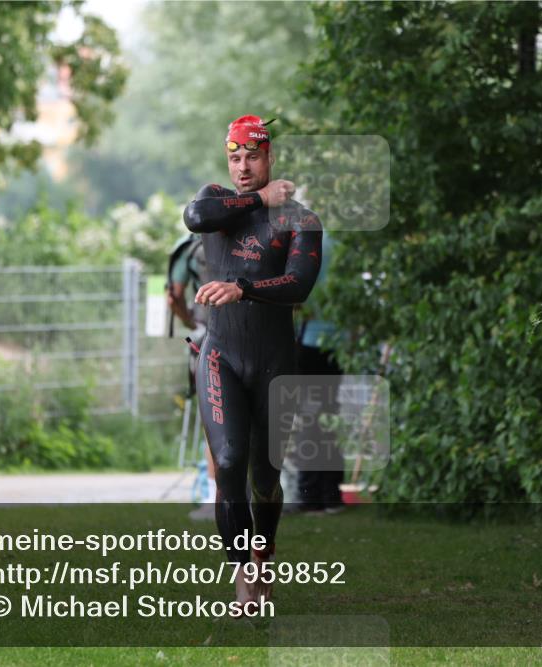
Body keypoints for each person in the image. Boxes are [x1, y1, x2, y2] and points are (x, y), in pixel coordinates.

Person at [182, 114, 323, 615]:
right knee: (227, 463)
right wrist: (259, 200)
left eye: (253, 157)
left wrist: (243, 288)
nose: (243, 167)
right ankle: (243, 574)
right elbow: (194, 216)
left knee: (265, 478)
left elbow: (298, 285)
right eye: (235, 157)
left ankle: (264, 550)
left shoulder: (301, 220)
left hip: (275, 364)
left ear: (270, 157)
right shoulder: (219, 204)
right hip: (220, 355)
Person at [165, 234, 220, 521]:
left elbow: (173, 295)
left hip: (205, 335)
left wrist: (189, 320)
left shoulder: (189, 247)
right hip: (250, 336)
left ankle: (212, 497)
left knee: (214, 422)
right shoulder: (248, 237)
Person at [293, 228, 346, 514]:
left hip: (309, 340)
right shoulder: (345, 247)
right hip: (338, 342)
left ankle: (309, 494)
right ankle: (331, 493)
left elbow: (295, 295)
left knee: (310, 419)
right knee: (330, 417)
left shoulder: (304, 245)